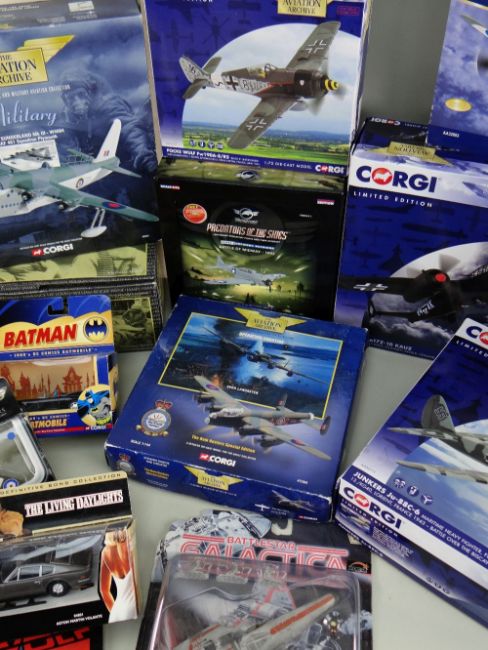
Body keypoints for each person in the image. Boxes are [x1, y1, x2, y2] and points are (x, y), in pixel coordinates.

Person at [99, 528, 137, 623]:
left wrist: (117, 612)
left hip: (115, 612)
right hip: (132, 609)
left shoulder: (105, 552)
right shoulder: (129, 545)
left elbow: (103, 590)